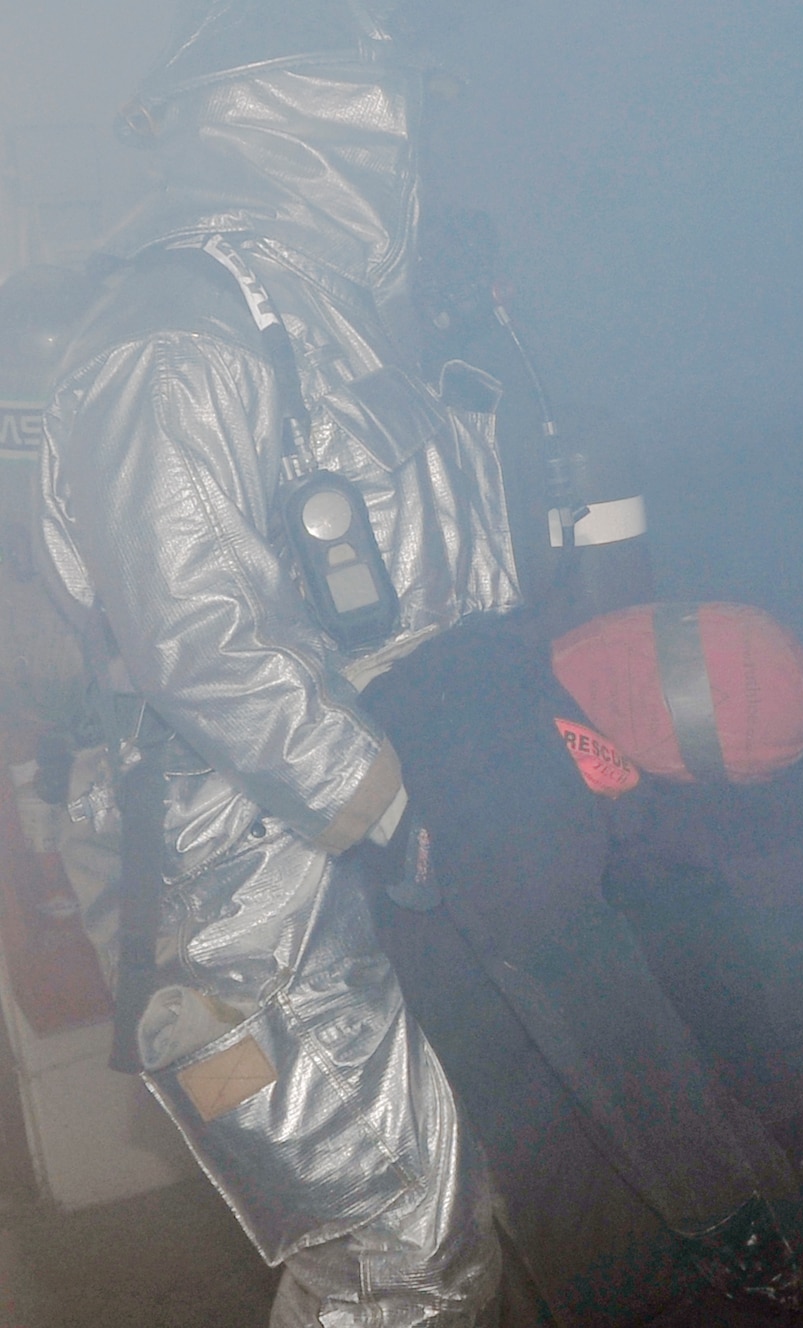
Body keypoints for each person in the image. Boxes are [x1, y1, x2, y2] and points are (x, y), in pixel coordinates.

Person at [37, 4, 513, 1321]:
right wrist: (386, 796)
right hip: (224, 893)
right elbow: (199, 634)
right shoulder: (175, 333)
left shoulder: (324, 317)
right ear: (302, 118)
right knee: (393, 1248)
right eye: (378, 111)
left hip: (322, 846)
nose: (406, 146)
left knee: (424, 1219)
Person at [359, 601, 803, 1326]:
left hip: (481, 748)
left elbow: (695, 962)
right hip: (403, 1024)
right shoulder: (512, 798)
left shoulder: (534, 677)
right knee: (554, 1135)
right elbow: (605, 1025)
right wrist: (733, 1221)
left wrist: (771, 1131)